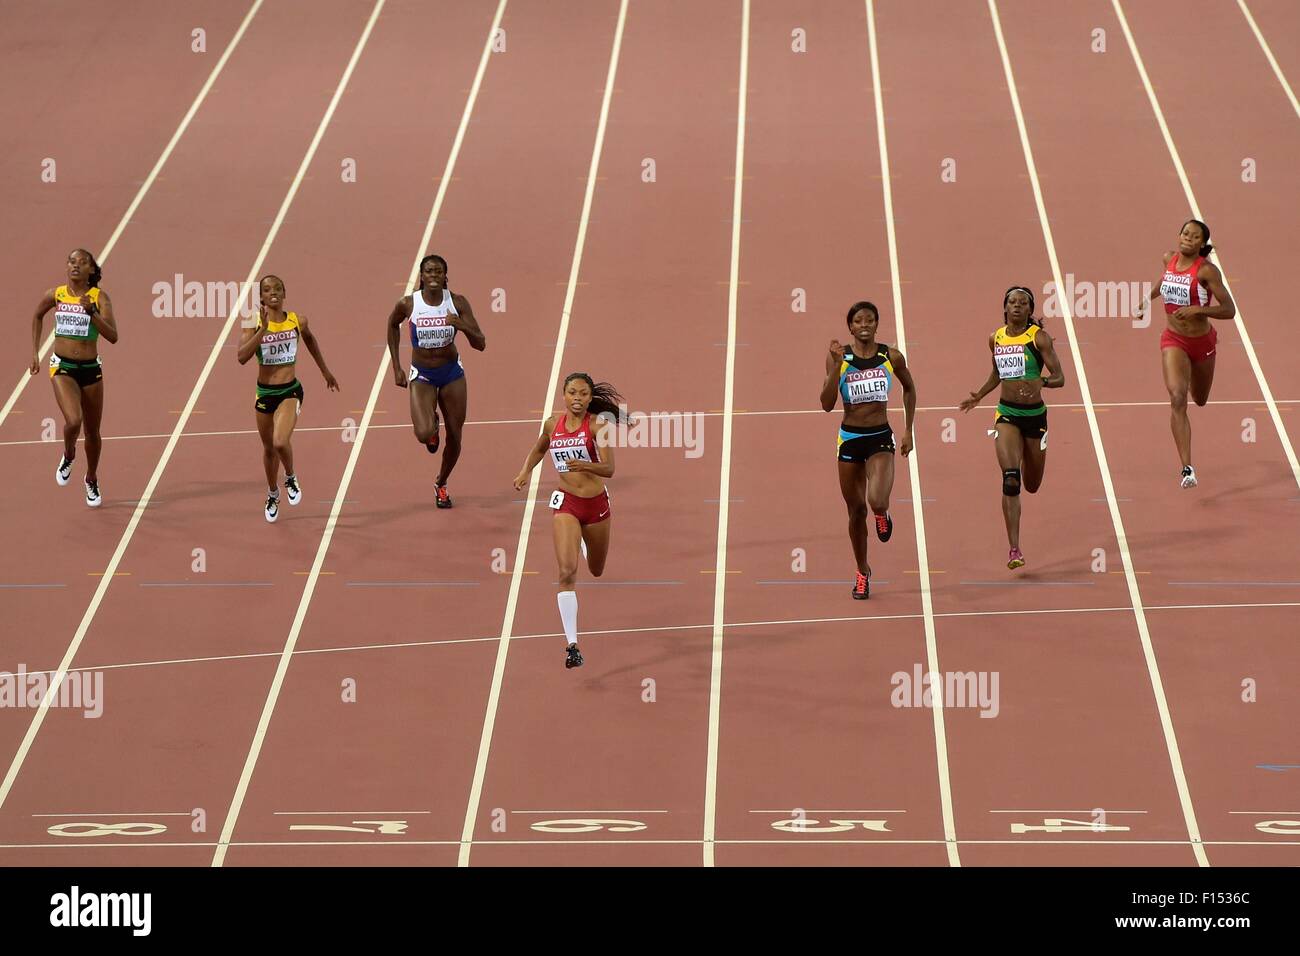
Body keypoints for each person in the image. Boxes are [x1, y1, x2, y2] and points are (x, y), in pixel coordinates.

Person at [512, 372, 623, 669]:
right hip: (567, 502)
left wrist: (585, 464)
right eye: (572, 392)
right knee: (566, 571)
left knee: (596, 570)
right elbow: (540, 447)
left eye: (583, 394)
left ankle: (586, 544)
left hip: (596, 505)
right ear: (564, 394)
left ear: (590, 398)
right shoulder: (552, 423)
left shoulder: (598, 426)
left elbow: (610, 469)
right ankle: (572, 645)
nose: (577, 398)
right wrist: (525, 472)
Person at [959, 287, 1065, 569]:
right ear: (1004, 307)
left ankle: (1031, 458)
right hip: (1006, 413)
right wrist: (979, 395)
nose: (1017, 306)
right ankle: (1014, 549)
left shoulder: (1038, 338)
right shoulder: (996, 338)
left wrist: (1040, 383)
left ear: (1030, 310)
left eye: (1023, 303)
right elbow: (997, 373)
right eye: (1012, 302)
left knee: (1031, 485)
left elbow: (1060, 377)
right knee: (1010, 479)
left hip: (1035, 417)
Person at [819, 300, 916, 600]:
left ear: (876, 324)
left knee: (875, 500)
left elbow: (910, 389)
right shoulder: (840, 357)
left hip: (880, 438)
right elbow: (825, 404)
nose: (864, 325)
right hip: (849, 438)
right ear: (850, 326)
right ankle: (862, 572)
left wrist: (908, 430)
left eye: (869, 320)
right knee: (855, 510)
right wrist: (836, 365)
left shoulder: (891, 356)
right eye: (858, 321)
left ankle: (883, 514)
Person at [1135, 219, 1235, 488]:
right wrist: (1147, 299)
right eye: (1185, 233)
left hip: (1201, 342)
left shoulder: (1206, 272)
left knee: (1199, 399)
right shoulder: (1168, 258)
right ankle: (1187, 469)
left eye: (1194, 236)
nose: (1187, 238)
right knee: (1177, 398)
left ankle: (1190, 374)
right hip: (1173, 339)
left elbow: (1229, 310)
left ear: (1202, 243)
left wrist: (1198, 310)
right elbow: (1165, 281)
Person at [236, 274, 339, 522]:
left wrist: (325, 371)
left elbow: (311, 341)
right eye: (267, 289)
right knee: (269, 449)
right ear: (261, 297)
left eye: (278, 288)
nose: (273, 292)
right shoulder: (252, 321)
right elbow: (241, 356)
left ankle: (290, 477)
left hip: (290, 390)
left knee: (281, 442)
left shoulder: (296, 321)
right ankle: (273, 493)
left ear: (284, 294)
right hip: (265, 393)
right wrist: (262, 329)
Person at [386, 254, 486, 508]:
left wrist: (461, 325)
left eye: (438, 271)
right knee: (423, 433)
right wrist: (397, 367)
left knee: (455, 437)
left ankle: (441, 483)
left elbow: (480, 343)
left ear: (445, 276)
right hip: (422, 375)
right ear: (422, 276)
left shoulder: (458, 302)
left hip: (452, 373)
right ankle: (432, 427)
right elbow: (391, 325)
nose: (433, 275)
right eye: (429, 271)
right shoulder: (408, 304)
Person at [29, 248, 119, 507]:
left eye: (82, 262)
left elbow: (113, 336)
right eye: (71, 261)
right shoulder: (55, 294)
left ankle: (91, 478)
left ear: (91, 270)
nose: (75, 266)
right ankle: (68, 454)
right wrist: (35, 353)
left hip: (91, 369)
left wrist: (92, 313)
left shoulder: (99, 298)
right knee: (73, 421)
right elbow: (36, 316)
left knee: (93, 432)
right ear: (66, 267)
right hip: (62, 367)